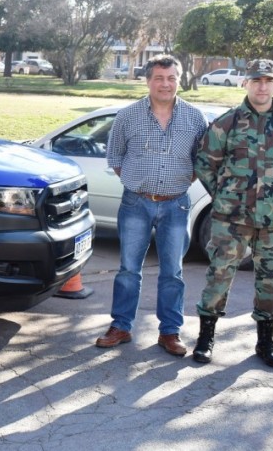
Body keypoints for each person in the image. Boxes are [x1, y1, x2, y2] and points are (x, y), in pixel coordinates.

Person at [192, 59, 273, 369]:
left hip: (272, 221)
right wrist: (226, 194)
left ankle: (266, 342)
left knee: (272, 281)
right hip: (231, 220)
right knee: (219, 275)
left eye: (268, 80)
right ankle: (205, 339)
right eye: (256, 80)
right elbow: (205, 162)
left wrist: (270, 197)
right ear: (246, 83)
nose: (262, 86)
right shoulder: (226, 123)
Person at [99, 54, 208, 356]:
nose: (165, 83)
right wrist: (137, 182)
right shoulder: (127, 116)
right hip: (136, 202)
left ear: (178, 79)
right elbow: (115, 157)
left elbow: (203, 160)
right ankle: (121, 326)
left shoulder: (195, 118)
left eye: (171, 77)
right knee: (128, 270)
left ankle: (170, 332)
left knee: (172, 271)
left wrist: (183, 181)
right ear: (148, 81)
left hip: (177, 204)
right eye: (159, 78)